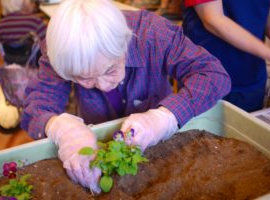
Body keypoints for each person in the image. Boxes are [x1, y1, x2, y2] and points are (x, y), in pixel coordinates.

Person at [21, 0, 231, 194]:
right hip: (100, 145)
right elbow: (35, 106)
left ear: (126, 43)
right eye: (84, 79)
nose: (102, 86)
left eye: (110, 70)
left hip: (160, 145)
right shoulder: (61, 49)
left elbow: (213, 75)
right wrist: (62, 129)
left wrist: (166, 116)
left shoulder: (153, 33)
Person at [182, 0, 270, 112]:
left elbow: (267, 17)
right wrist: (269, 53)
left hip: (251, 73)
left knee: (248, 127)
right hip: (209, 74)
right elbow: (212, 19)